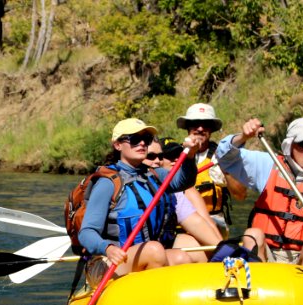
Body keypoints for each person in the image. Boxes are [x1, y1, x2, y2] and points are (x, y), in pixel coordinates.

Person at [77, 118, 204, 276]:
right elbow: (86, 233)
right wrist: (107, 248)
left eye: (146, 139)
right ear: (118, 145)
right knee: (154, 250)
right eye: (135, 140)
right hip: (108, 261)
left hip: (144, 254)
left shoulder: (154, 174)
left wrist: (190, 156)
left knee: (181, 257)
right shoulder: (107, 183)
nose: (142, 144)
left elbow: (184, 181)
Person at [216, 117, 303, 267]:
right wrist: (243, 137)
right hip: (266, 254)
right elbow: (224, 156)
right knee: (252, 235)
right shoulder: (268, 164)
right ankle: (256, 283)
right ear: (289, 145)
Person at [154, 139, 266, 262]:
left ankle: (230, 258)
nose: (176, 160)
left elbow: (203, 221)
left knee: (253, 235)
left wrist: (225, 249)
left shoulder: (186, 190)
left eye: (179, 156)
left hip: (199, 232)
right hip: (162, 244)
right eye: (169, 156)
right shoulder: (144, 182)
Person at [175, 103, 248, 237]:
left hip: (214, 221)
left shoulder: (223, 156)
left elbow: (241, 195)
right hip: (179, 223)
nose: (200, 128)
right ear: (187, 127)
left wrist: (226, 170)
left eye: (206, 124)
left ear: (212, 129)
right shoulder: (172, 156)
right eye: (195, 123)